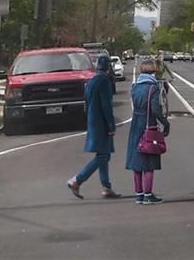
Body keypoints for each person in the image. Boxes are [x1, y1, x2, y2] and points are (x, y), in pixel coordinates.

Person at [66, 55, 122, 200]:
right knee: (103, 155)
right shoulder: (104, 81)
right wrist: (111, 124)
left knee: (103, 154)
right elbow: (106, 105)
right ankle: (77, 180)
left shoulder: (91, 81)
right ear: (108, 67)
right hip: (101, 122)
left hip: (92, 120)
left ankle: (106, 187)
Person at [125, 57, 170, 205]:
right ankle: (148, 194)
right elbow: (156, 110)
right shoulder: (153, 88)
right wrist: (165, 123)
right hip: (148, 124)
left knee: (137, 162)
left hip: (135, 123)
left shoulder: (135, 87)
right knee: (149, 161)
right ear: (153, 72)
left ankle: (139, 194)